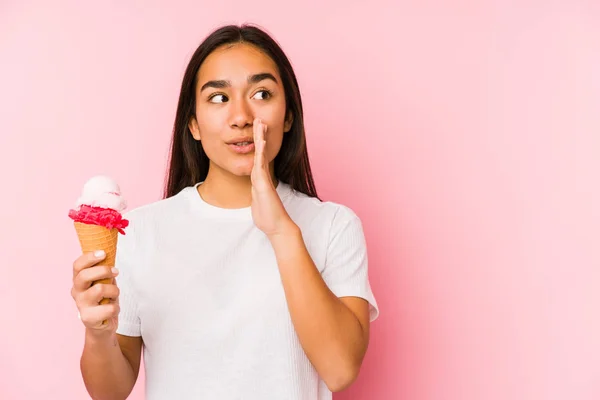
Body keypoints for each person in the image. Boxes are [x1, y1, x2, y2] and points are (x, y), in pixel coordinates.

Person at [70, 24, 379, 400]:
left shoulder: (333, 225)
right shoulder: (139, 232)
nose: (241, 116)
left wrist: (281, 230)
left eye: (261, 93)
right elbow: (110, 392)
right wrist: (99, 334)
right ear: (194, 124)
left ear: (288, 117)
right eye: (218, 98)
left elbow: (340, 368)